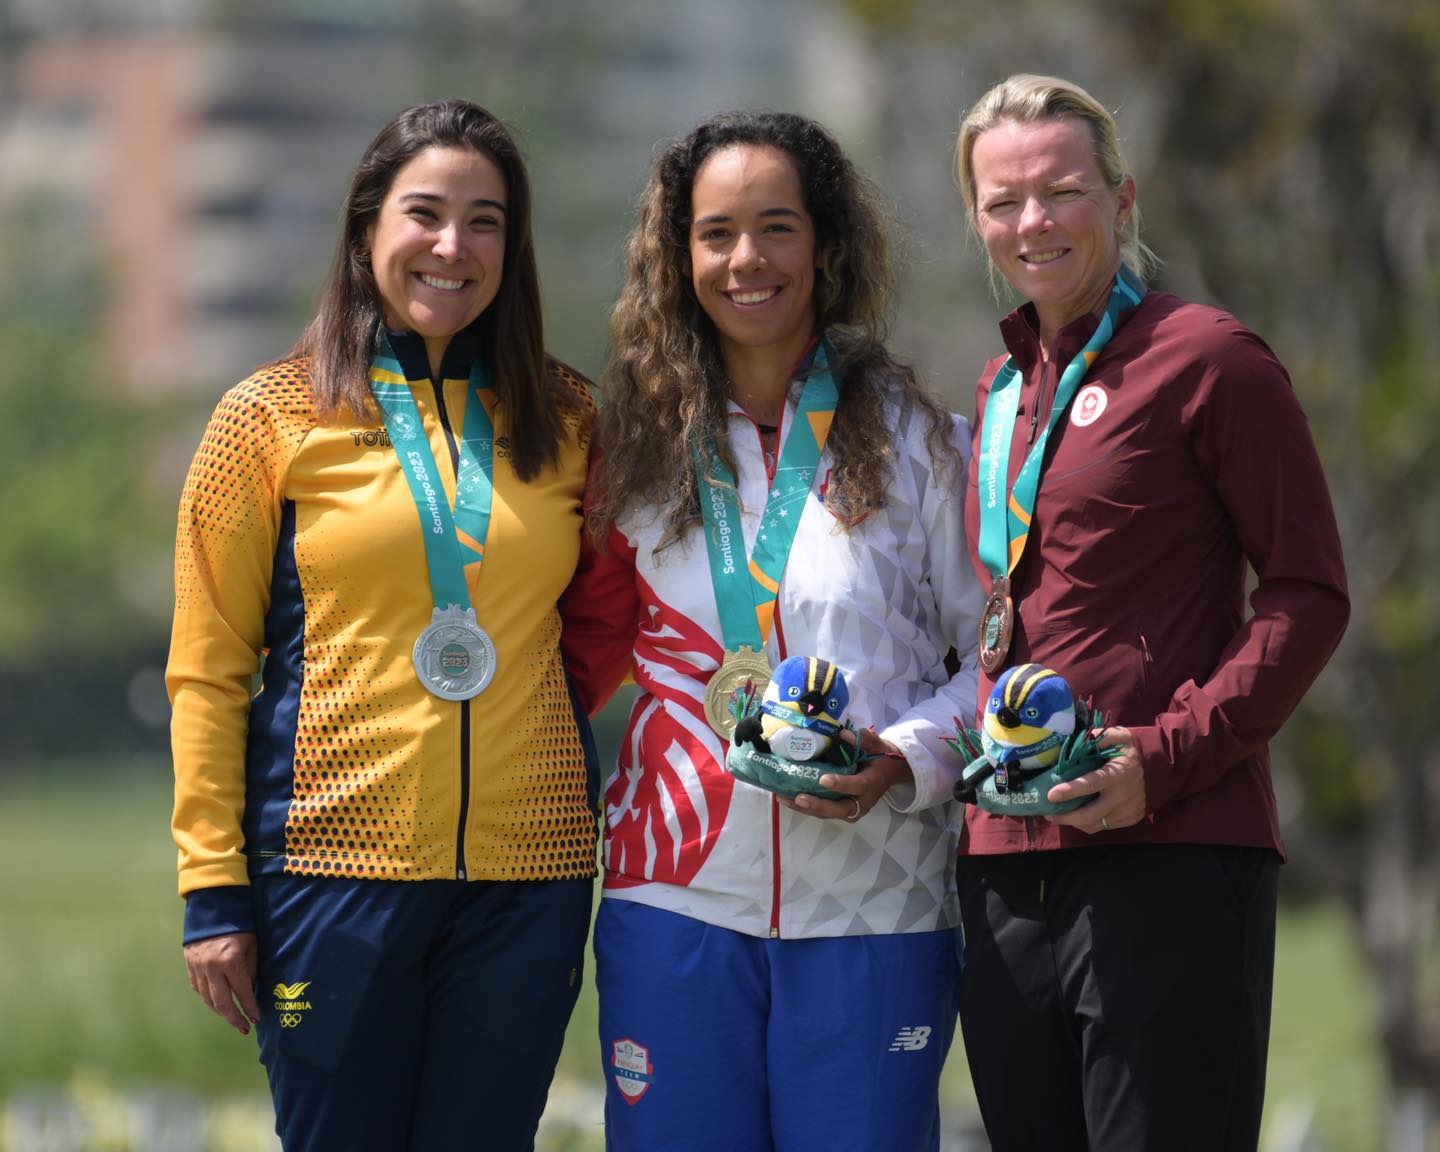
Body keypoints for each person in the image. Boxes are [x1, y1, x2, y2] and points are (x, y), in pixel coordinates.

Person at [167, 99, 622, 1152]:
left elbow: (601, 623)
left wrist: (532, 724)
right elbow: (208, 669)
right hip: (330, 866)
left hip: (532, 875)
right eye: (424, 213)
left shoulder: (570, 419)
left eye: (485, 221)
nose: (451, 246)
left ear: (514, 246)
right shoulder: (268, 417)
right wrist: (211, 889)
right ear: (367, 227)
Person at [951, 73, 1350, 1152]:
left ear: (1123, 201)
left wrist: (1161, 761)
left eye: (1061, 190)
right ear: (980, 221)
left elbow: (1311, 594)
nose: (1032, 221)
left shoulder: (1209, 358)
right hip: (1002, 860)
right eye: (1003, 201)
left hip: (1169, 849)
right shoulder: (1000, 387)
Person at [579, 110, 984, 1152]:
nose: (745, 259)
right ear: (680, 257)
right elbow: (570, 648)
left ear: (827, 245)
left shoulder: (923, 444)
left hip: (877, 906)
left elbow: (999, 657)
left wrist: (902, 757)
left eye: (776, 228)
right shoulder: (630, 451)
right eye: (716, 233)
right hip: (673, 900)